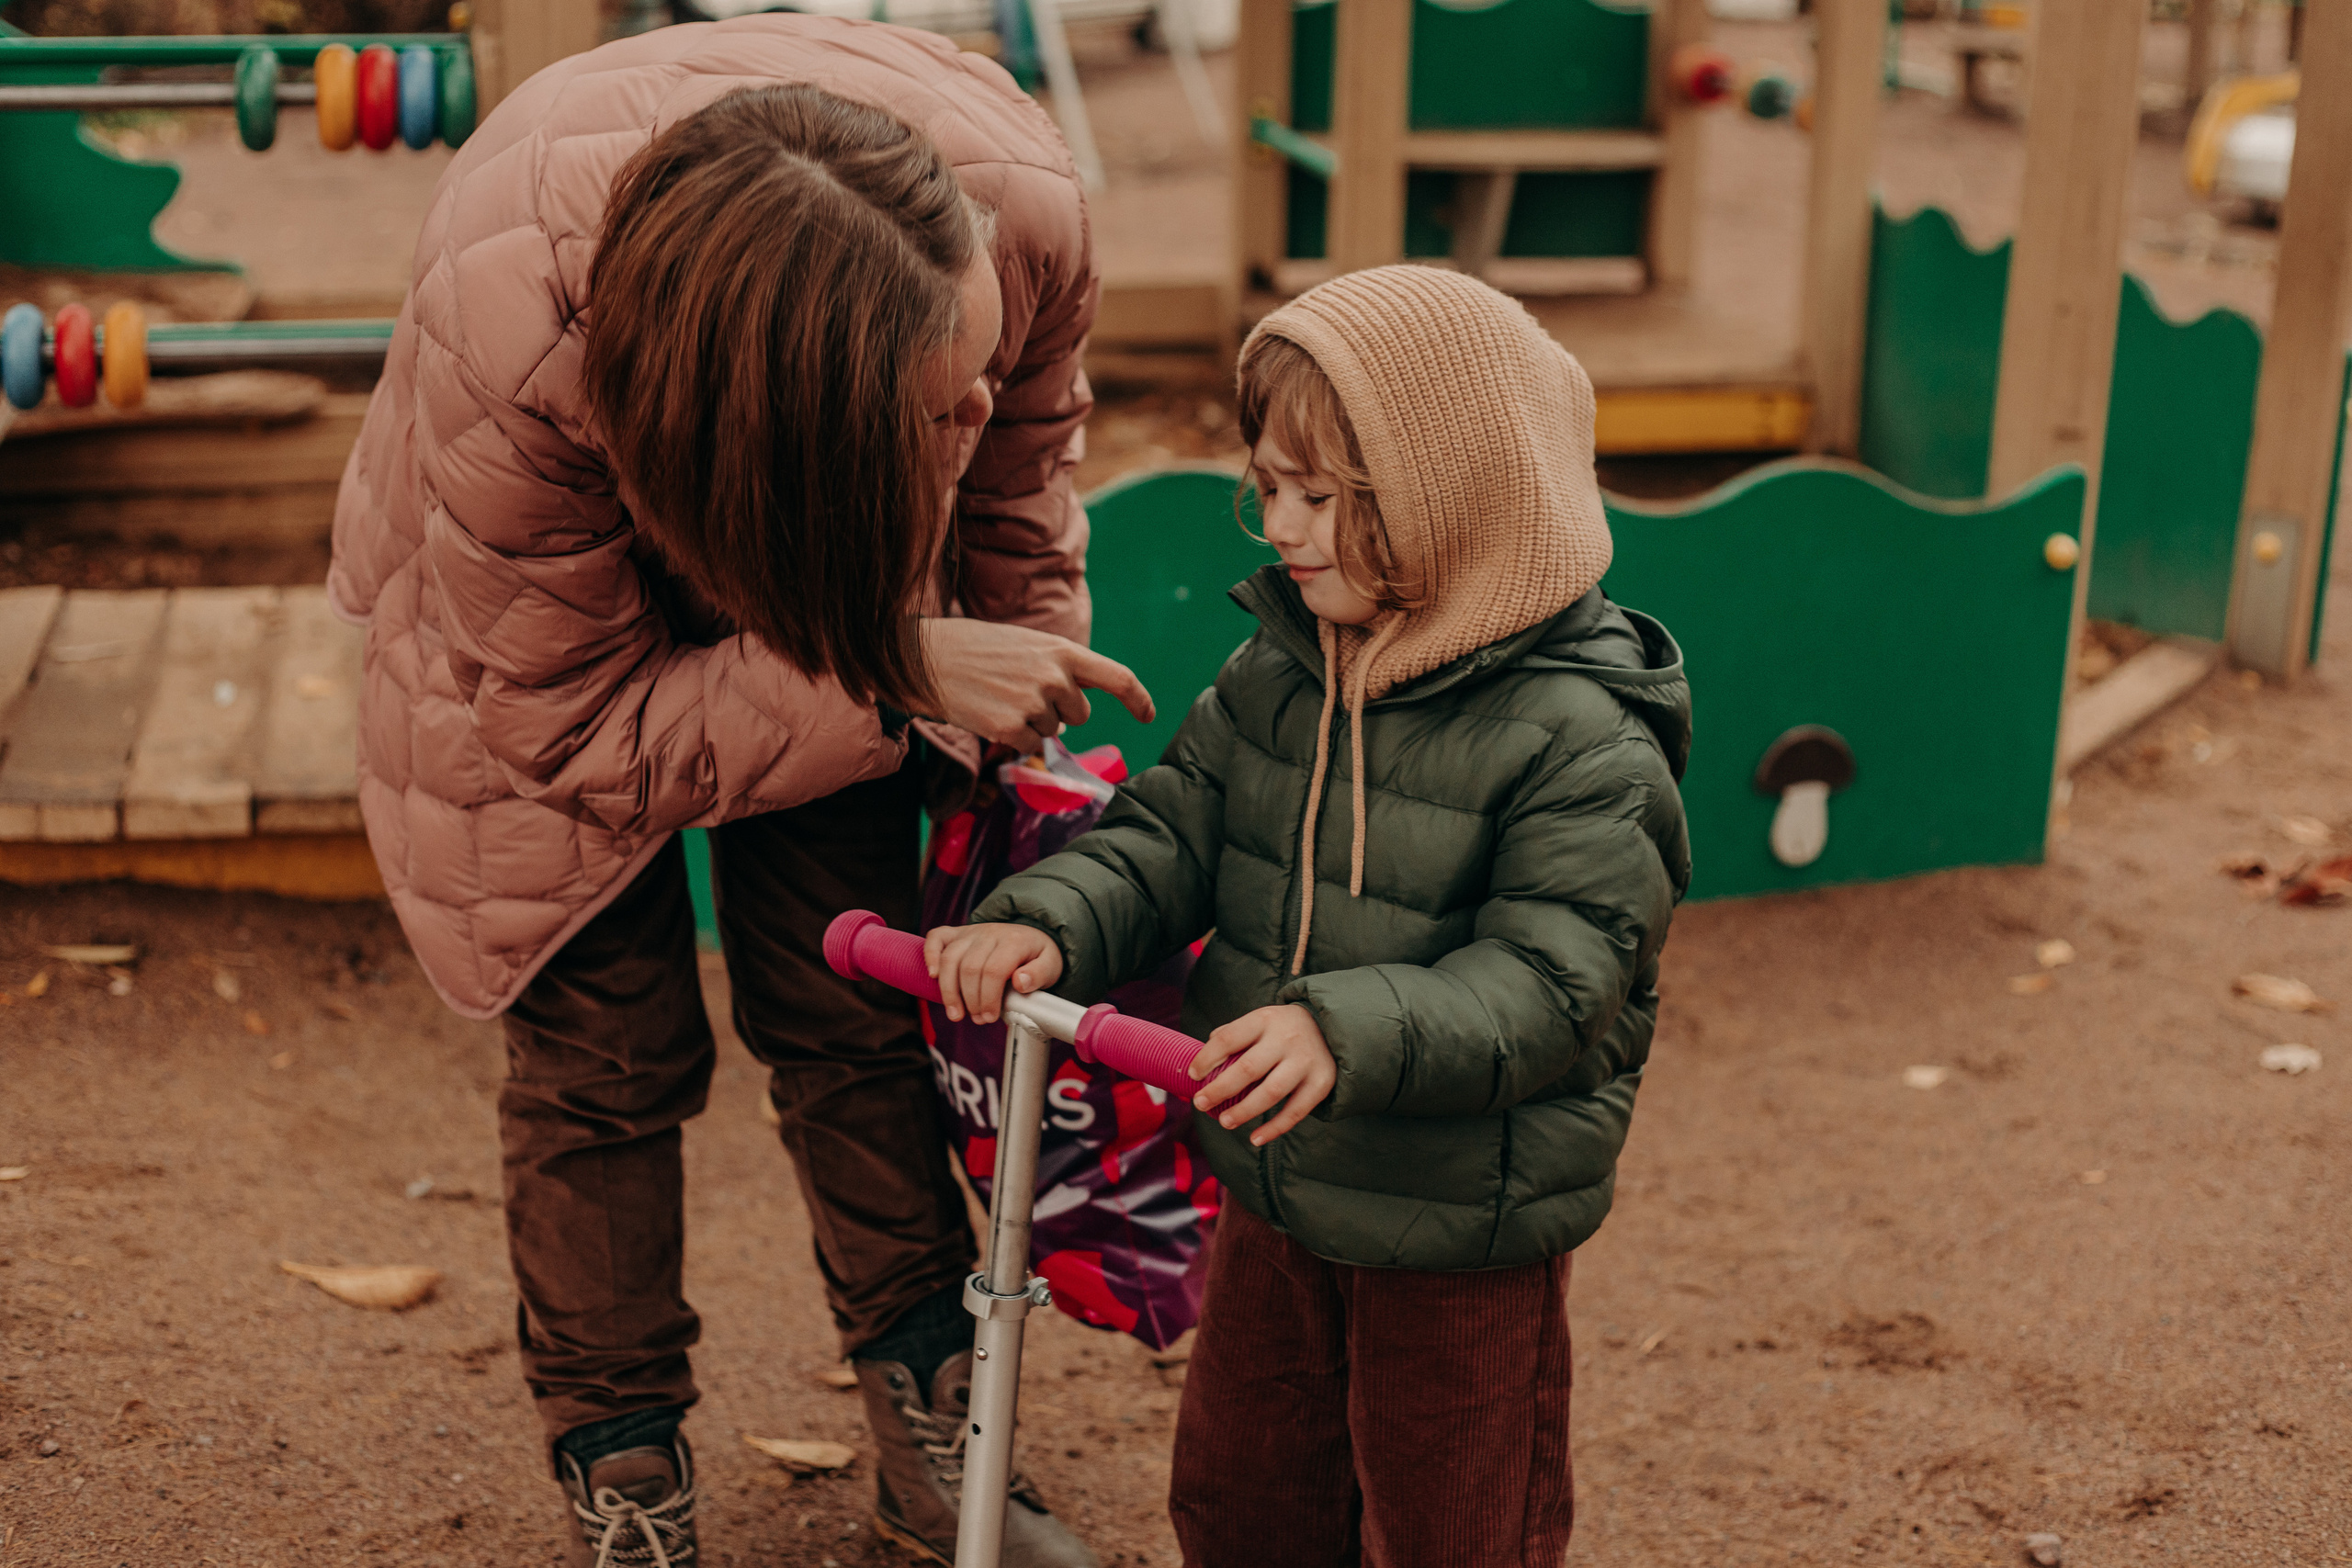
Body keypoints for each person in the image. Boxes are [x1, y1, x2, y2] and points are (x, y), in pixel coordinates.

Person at [328, 17, 1149, 1566]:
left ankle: (936, 1428)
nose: (970, 420)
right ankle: (623, 1467)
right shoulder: (519, 355)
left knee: (856, 1012)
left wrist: (1015, 756)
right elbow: (571, 730)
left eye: (975, 365)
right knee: (603, 1058)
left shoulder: (1023, 218)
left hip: (846, 595)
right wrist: (893, 663)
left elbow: (1018, 499)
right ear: (799, 415)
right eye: (932, 407)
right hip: (527, 655)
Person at [924, 265, 1692, 1567]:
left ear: (1452, 499)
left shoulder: (1582, 739)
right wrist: (1050, 917)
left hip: (1457, 1219)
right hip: (1273, 1184)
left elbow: (1556, 984)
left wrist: (1341, 1031)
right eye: (1267, 487)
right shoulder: (1283, 670)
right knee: (1243, 1496)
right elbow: (1173, 835)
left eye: (1321, 497)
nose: (1280, 524)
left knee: (1455, 1523)